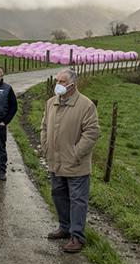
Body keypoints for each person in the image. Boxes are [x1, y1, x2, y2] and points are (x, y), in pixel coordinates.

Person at [41, 68, 99, 253]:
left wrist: (75, 154)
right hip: (55, 161)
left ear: (73, 85)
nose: (58, 84)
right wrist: (46, 147)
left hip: (75, 164)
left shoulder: (86, 105)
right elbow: (44, 126)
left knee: (77, 200)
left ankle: (77, 237)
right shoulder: (51, 103)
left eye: (62, 82)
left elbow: (92, 133)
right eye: (57, 81)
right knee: (58, 196)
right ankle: (64, 227)